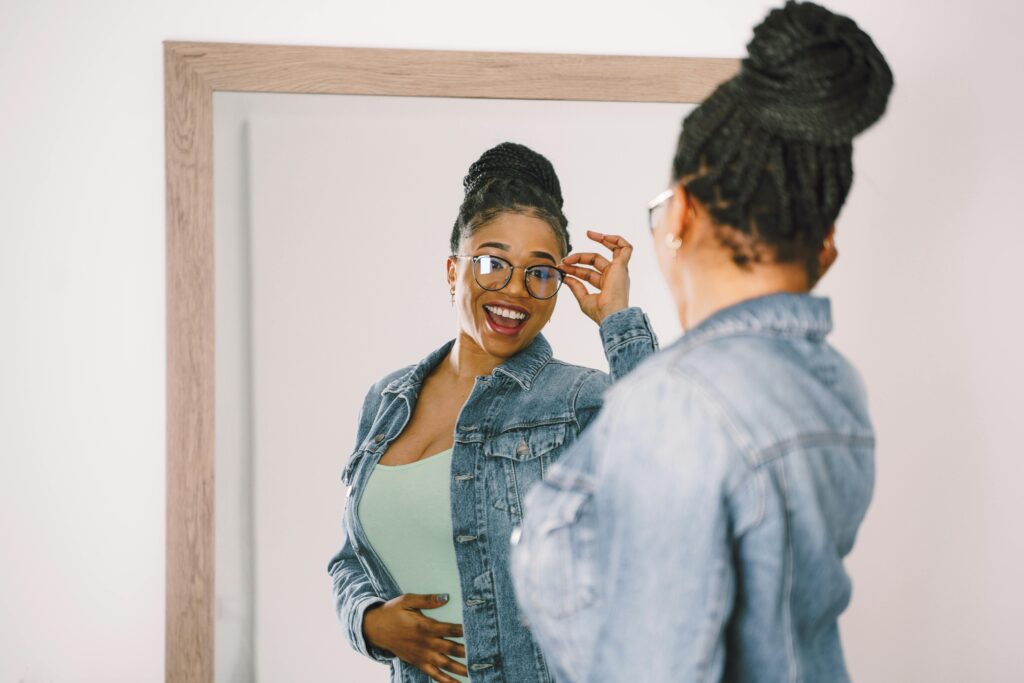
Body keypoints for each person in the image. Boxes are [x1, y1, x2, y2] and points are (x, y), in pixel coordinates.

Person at [510, 3, 894, 681]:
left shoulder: (679, 406)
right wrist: (618, 323)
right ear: (823, 249)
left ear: (681, 212)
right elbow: (700, 441)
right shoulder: (834, 382)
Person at [328, 141, 659, 682]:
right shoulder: (385, 402)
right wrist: (367, 622)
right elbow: (350, 559)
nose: (515, 290)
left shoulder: (579, 401)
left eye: (540, 272)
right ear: (452, 270)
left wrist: (617, 321)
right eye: (491, 263)